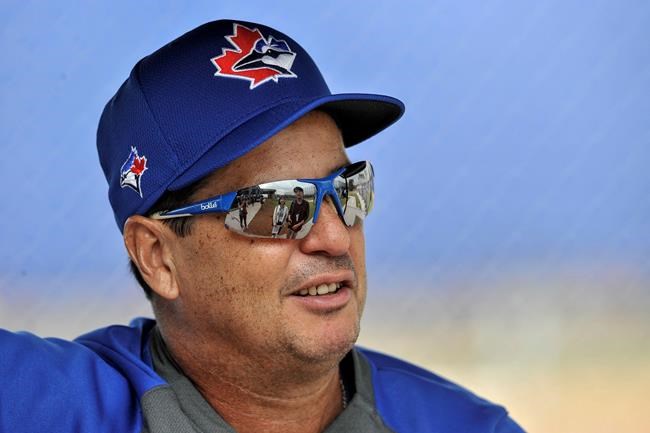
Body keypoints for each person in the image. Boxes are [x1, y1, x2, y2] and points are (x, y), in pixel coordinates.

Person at [0, 19, 525, 433]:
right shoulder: (44, 407)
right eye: (276, 206)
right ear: (157, 257)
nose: (334, 237)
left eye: (347, 190)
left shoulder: (465, 426)